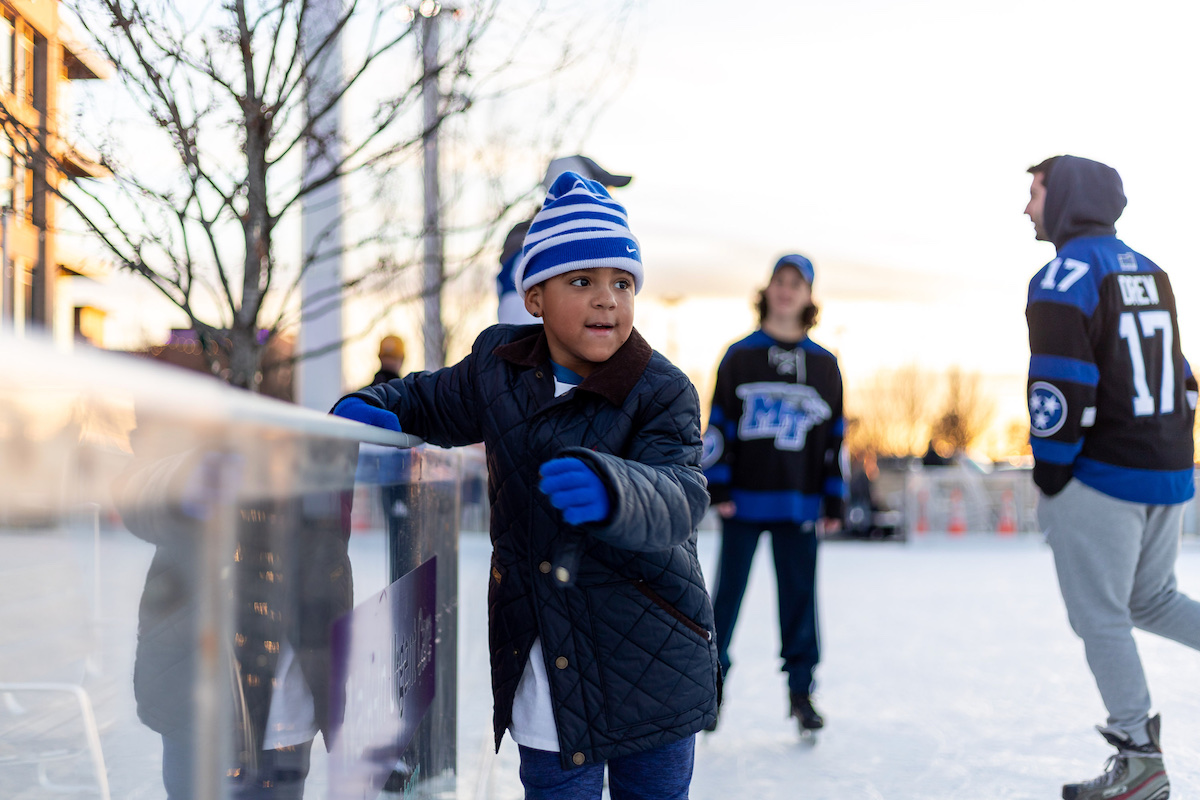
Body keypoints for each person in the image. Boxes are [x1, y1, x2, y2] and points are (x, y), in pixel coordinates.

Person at [334, 171, 718, 799]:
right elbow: (431, 399)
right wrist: (377, 407)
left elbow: (680, 491)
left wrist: (614, 489)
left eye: (622, 282)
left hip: (652, 660)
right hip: (549, 656)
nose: (607, 299)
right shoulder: (499, 365)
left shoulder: (662, 389)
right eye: (582, 281)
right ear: (536, 298)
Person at [1024, 154, 1200, 800]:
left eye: (1036, 193)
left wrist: (1052, 473)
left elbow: (1061, 387)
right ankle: (1138, 757)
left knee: (1101, 616)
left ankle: (1139, 760)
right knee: (1150, 599)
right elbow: (1184, 379)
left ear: (1065, 196)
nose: (1027, 208)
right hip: (1169, 469)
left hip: (1106, 475)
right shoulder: (1153, 271)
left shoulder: (1061, 276)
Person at [700, 253, 845, 734]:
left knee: (800, 598)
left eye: (796, 284)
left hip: (799, 500)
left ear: (808, 296)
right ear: (767, 290)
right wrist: (717, 483)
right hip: (743, 497)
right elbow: (717, 425)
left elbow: (835, 438)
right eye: (779, 281)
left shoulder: (824, 364)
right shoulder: (740, 355)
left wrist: (834, 496)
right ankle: (710, 689)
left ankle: (801, 692)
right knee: (726, 598)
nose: (786, 290)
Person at [496, 155, 631, 325]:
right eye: (601, 191)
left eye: (621, 284)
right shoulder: (534, 255)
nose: (611, 201)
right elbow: (519, 327)